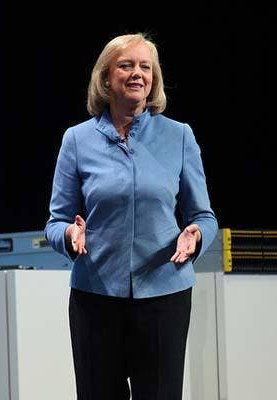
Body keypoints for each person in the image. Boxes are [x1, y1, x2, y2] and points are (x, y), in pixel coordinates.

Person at [45, 32, 218, 400]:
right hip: (95, 297)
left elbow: (204, 216)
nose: (138, 73)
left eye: (146, 67)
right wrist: (69, 236)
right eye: (126, 65)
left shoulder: (179, 136)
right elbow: (56, 222)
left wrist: (196, 235)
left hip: (164, 296)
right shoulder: (77, 140)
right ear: (106, 78)